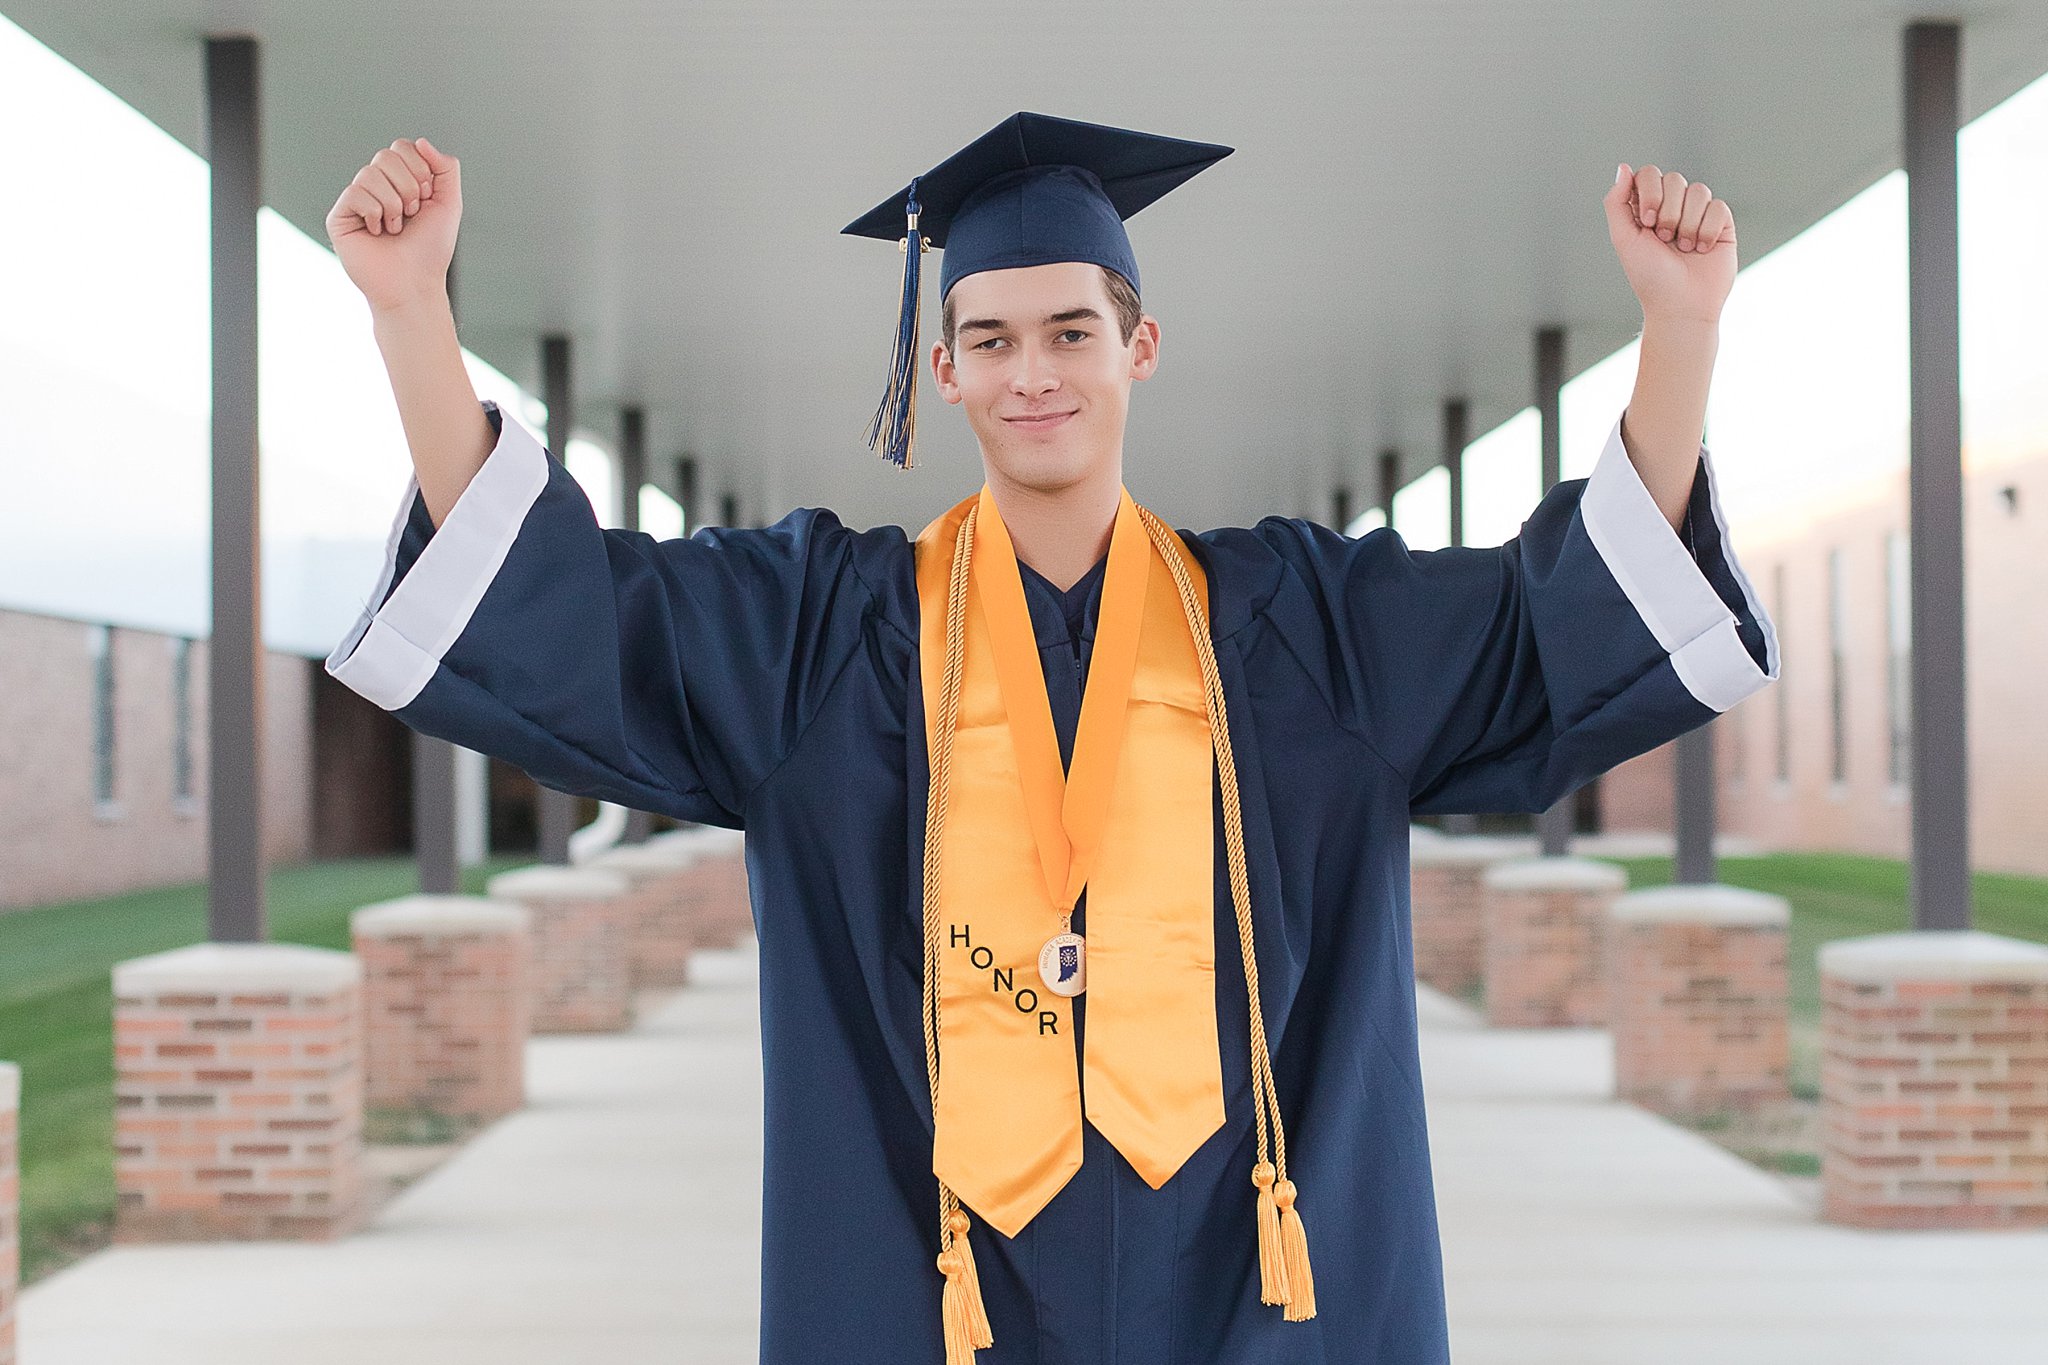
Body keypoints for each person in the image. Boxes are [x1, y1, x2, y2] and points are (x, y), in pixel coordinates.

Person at [322, 112, 1778, 1364]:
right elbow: (577, 610)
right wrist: (411, 318)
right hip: (936, 1281)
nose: (1036, 373)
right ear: (941, 368)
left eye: (1072, 331)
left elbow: (1551, 626)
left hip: (1252, 1292)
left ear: (1140, 344)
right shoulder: (829, 641)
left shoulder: (1302, 631)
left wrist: (1683, 329)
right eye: (992, 338)